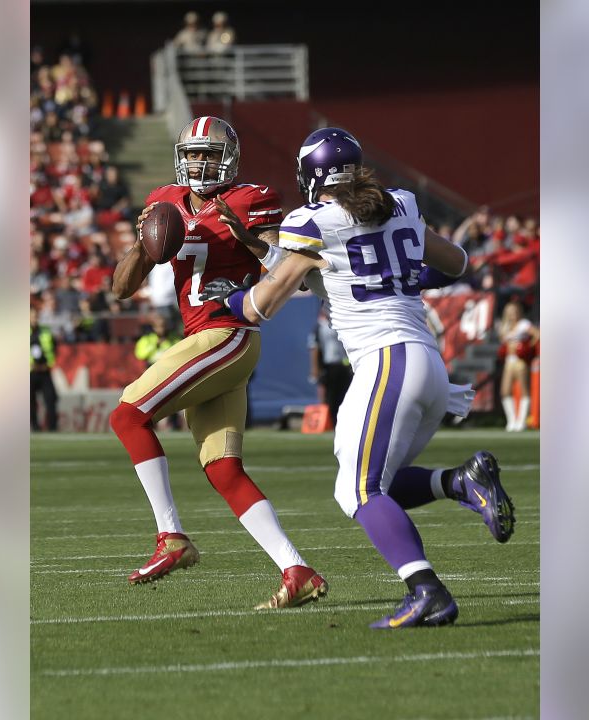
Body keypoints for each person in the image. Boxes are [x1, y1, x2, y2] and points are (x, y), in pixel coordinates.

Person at [200, 127, 517, 628]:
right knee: (377, 485)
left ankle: (427, 591)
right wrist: (399, 268)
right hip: (429, 365)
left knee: (359, 492)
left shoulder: (311, 220)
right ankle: (460, 481)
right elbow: (455, 263)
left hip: (386, 361)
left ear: (311, 176)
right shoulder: (401, 204)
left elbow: (266, 303)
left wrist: (222, 302)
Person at [107, 116, 327, 608]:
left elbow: (285, 268)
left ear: (228, 157)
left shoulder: (252, 199)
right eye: (193, 153)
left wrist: (245, 236)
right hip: (203, 339)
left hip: (228, 333)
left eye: (209, 153)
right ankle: (297, 569)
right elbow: (121, 288)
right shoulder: (163, 200)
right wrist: (144, 244)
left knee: (127, 414)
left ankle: (172, 538)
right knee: (223, 469)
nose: (200, 162)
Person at [497, 300, 539, 431]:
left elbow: (537, 335)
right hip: (509, 361)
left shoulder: (524, 324)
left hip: (520, 361)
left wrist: (527, 348)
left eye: (514, 312)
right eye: (509, 312)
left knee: (524, 390)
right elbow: (503, 341)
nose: (512, 315)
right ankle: (512, 420)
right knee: (505, 391)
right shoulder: (505, 326)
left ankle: (522, 421)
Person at [308, 305, 351, 428]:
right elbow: (314, 348)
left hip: (343, 364)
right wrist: (315, 369)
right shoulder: (319, 327)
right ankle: (330, 421)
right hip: (329, 365)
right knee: (330, 395)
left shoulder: (340, 324)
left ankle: (342, 421)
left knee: (344, 394)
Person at [30, 306, 59, 432]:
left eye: (36, 315)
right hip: (29, 373)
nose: (34, 318)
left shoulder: (45, 331)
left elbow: (53, 348)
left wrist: (49, 363)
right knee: (30, 401)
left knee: (51, 398)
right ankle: (35, 427)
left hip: (44, 371)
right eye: (32, 316)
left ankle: (52, 427)